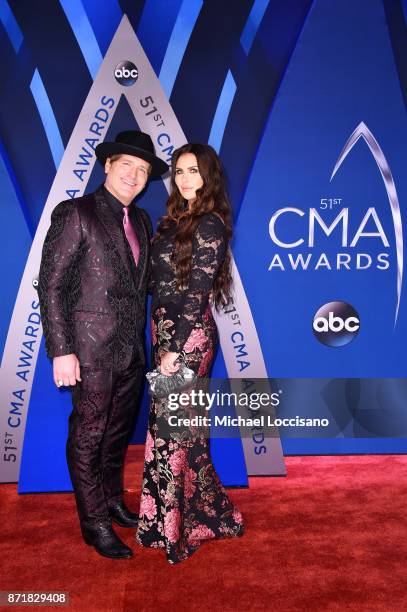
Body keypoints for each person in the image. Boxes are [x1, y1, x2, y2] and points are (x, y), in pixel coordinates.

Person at [38, 131, 169, 559]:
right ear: (107, 164)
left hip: (130, 351)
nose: (134, 175)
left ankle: (112, 499)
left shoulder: (143, 221)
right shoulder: (76, 213)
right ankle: (93, 522)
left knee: (116, 433)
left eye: (143, 170)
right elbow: (53, 286)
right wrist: (61, 349)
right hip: (89, 352)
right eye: (127, 165)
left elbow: (141, 286)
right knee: (88, 435)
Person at [136, 143, 244, 564]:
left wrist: (177, 351)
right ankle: (198, 516)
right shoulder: (170, 222)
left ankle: (177, 530)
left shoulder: (210, 225)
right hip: (164, 333)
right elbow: (156, 286)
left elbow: (198, 294)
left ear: (209, 177)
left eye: (193, 171)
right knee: (178, 433)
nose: (184, 179)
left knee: (176, 433)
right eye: (179, 171)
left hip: (189, 338)